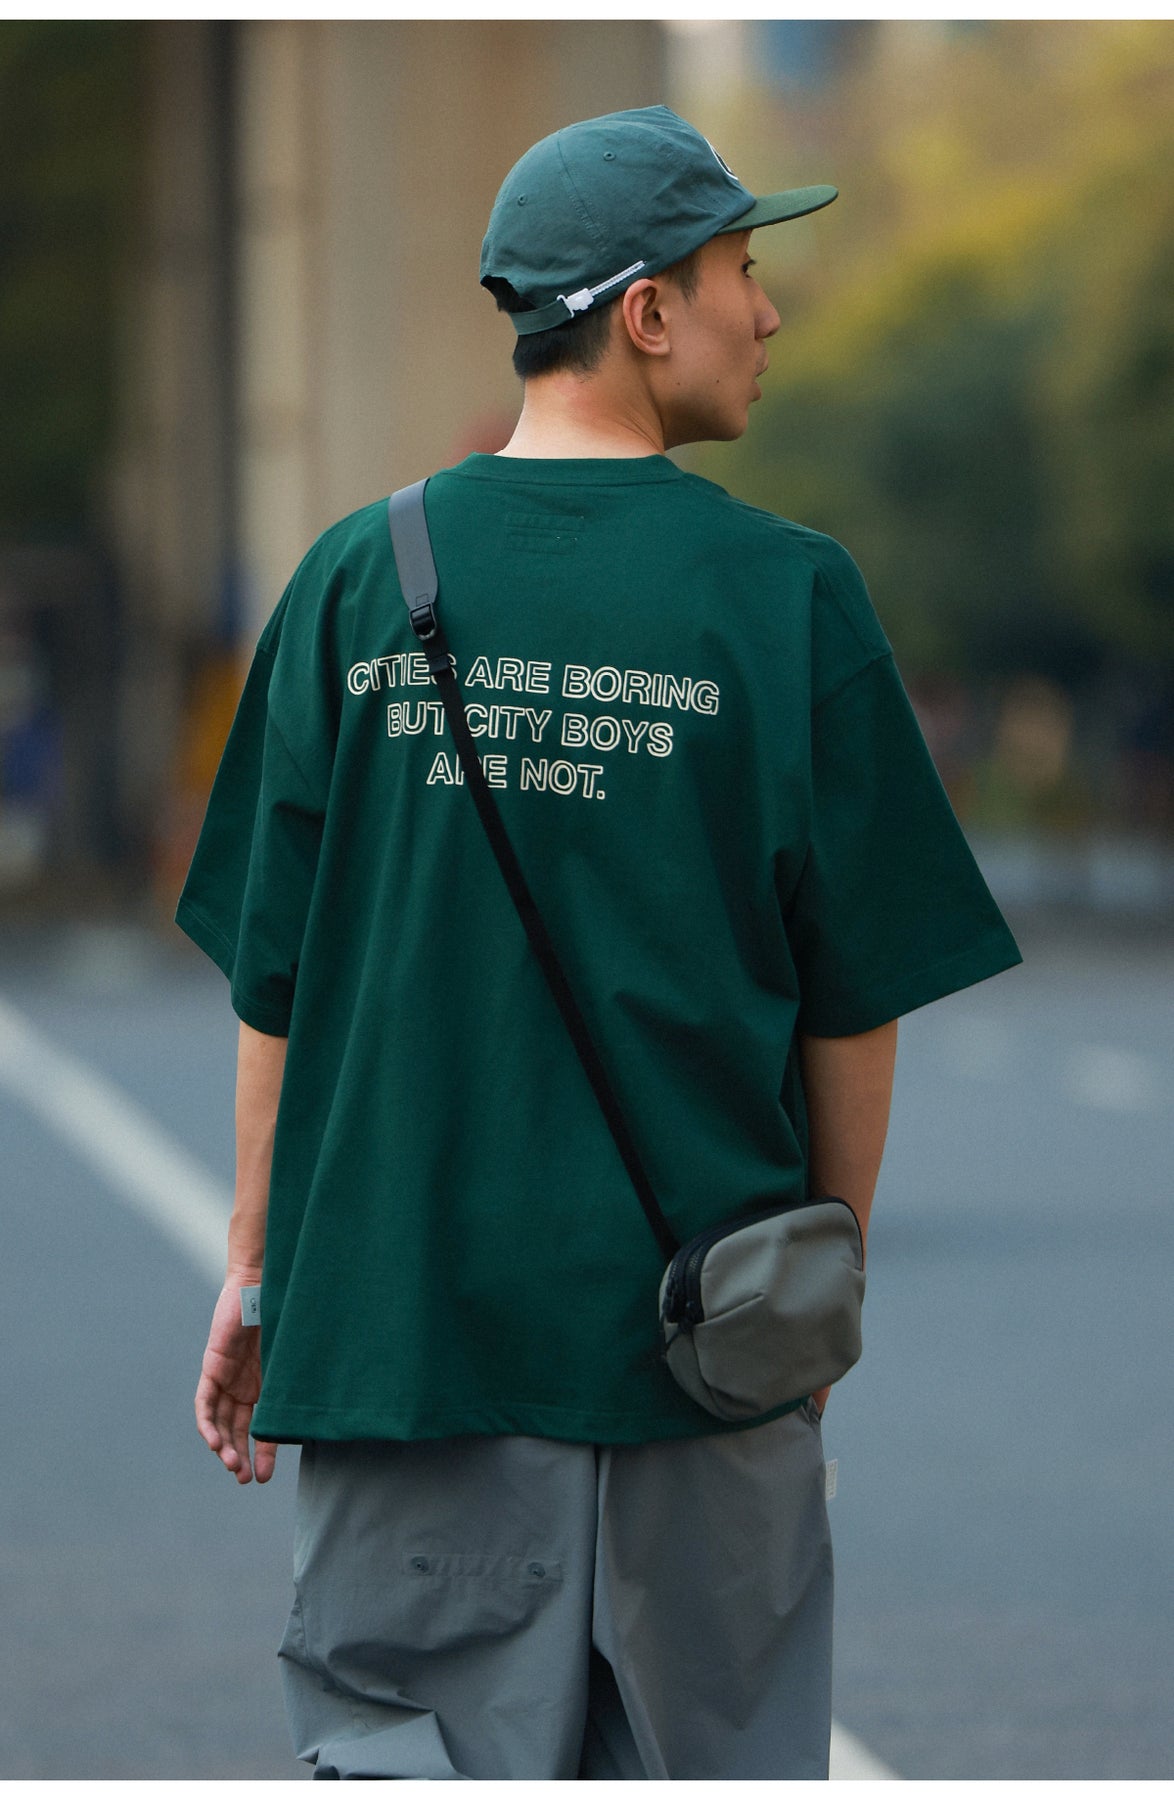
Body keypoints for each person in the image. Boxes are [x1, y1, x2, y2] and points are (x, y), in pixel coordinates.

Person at [178, 104, 1022, 1780]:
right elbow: (852, 1005)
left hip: (401, 1345)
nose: (766, 313)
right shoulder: (786, 597)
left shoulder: (354, 582)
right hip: (694, 1354)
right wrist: (815, 1294)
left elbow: (280, 985)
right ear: (645, 312)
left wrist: (258, 1274)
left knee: (417, 1759)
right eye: (740, 273)